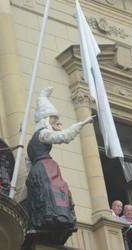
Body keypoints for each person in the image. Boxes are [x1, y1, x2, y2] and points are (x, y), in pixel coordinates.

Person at [26, 87, 94, 234]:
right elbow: (63, 137)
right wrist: (81, 124)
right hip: (46, 168)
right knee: (56, 190)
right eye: (54, 118)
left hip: (36, 171)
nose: (57, 121)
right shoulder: (43, 134)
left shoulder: (32, 141)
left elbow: (28, 162)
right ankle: (59, 217)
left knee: (43, 193)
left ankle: (42, 219)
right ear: (46, 119)